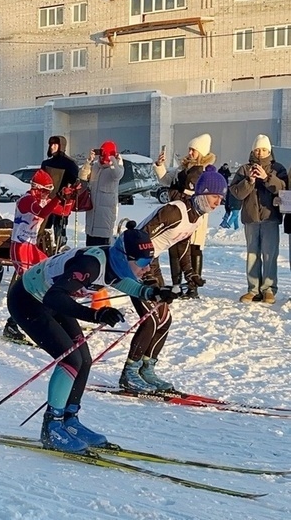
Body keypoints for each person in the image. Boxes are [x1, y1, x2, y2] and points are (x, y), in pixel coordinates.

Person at [7, 220, 162, 453]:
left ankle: (70, 420)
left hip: (51, 301)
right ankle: (52, 426)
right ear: (124, 257)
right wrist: (96, 315)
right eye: (142, 262)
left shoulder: (113, 264)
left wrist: (151, 292)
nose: (147, 268)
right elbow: (54, 297)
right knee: (71, 360)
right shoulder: (91, 264)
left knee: (84, 360)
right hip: (28, 301)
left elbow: (121, 281)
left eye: (150, 261)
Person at [119, 166, 227, 393]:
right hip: (130, 261)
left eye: (221, 198)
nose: (218, 202)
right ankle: (129, 373)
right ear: (203, 193)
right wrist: (146, 272)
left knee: (164, 320)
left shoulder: (195, 217)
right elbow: (142, 236)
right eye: (215, 196)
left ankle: (146, 370)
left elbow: (181, 244)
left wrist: (190, 273)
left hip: (150, 263)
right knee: (151, 319)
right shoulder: (174, 210)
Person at [2, 170, 66, 342]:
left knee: (49, 277)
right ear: (36, 188)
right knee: (29, 288)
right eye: (44, 191)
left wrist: (71, 195)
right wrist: (57, 198)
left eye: (49, 192)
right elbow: (42, 213)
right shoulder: (27, 200)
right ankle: (12, 323)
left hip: (31, 248)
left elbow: (64, 211)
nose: (46, 195)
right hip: (20, 248)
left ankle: (49, 313)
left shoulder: (42, 199)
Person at [154, 133, 214, 298]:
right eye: (189, 149)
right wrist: (160, 165)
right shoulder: (181, 168)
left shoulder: (204, 172)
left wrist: (175, 192)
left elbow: (194, 193)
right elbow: (166, 180)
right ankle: (176, 285)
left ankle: (193, 286)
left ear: (201, 153)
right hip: (178, 213)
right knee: (176, 246)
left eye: (193, 150)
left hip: (196, 214)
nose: (190, 153)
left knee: (193, 248)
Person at [229, 134, 287, 304]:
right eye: (257, 149)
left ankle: (269, 289)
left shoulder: (278, 168)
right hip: (251, 218)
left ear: (268, 150)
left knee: (270, 254)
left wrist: (266, 177)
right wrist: (250, 180)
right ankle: (253, 289)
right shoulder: (244, 169)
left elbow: (282, 189)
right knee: (253, 254)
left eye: (263, 149)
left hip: (270, 218)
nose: (260, 153)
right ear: (253, 150)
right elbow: (236, 192)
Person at [79, 141, 124, 246]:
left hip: (105, 218)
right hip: (92, 218)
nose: (102, 155)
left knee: (102, 252)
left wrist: (112, 159)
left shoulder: (116, 167)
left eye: (104, 152)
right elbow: (82, 176)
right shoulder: (95, 166)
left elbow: (117, 174)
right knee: (89, 250)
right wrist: (89, 161)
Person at [40, 135, 79, 250]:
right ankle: (42, 251)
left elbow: (74, 184)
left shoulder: (70, 164)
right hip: (46, 201)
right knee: (43, 229)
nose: (52, 147)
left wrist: (69, 192)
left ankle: (60, 251)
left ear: (61, 146)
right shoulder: (46, 163)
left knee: (59, 230)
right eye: (51, 144)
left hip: (61, 203)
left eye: (55, 144)